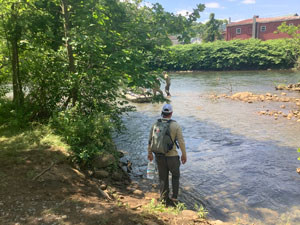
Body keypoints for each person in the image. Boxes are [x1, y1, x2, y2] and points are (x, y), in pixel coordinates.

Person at [147, 104, 187, 205]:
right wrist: (184, 155)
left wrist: (150, 153)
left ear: (162, 113)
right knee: (175, 176)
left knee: (162, 177)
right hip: (172, 156)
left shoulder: (155, 124)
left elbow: (150, 140)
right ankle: (174, 198)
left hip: (159, 156)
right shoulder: (176, 125)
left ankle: (164, 198)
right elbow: (181, 142)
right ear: (171, 113)